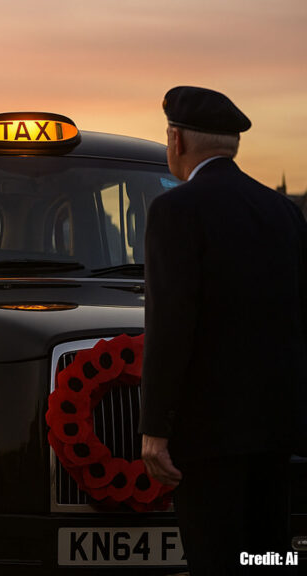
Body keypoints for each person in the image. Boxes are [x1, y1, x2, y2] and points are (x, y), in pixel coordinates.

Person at [140, 86, 307, 574]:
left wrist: (155, 428)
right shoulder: (282, 212)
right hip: (276, 430)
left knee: (215, 559)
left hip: (207, 436)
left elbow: (171, 324)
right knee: (267, 555)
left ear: (176, 141)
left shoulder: (176, 210)